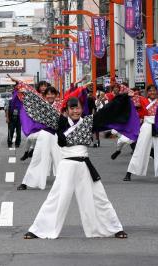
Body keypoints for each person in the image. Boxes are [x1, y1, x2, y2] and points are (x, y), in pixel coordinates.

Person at [18, 84, 139, 240]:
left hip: (85, 165)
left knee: (99, 197)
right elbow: (41, 108)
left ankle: (114, 228)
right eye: (72, 108)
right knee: (56, 197)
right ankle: (38, 229)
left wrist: (123, 98)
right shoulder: (59, 122)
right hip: (67, 165)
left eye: (78, 108)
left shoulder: (89, 122)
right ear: (66, 110)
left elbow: (108, 112)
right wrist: (25, 92)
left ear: (82, 109)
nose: (75, 111)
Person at [17, 86, 62, 191]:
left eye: (52, 93)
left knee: (61, 160)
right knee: (37, 158)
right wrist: (18, 84)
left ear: (56, 95)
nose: (50, 96)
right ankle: (25, 182)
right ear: (44, 96)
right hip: (45, 135)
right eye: (48, 94)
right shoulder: (40, 105)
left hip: (57, 136)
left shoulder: (60, 105)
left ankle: (65, 182)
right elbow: (30, 95)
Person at [124, 84, 158, 181]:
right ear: (147, 92)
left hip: (157, 125)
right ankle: (129, 173)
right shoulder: (143, 100)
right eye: (150, 90)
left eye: (154, 90)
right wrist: (130, 95)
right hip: (147, 124)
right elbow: (130, 98)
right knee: (140, 147)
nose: (152, 92)